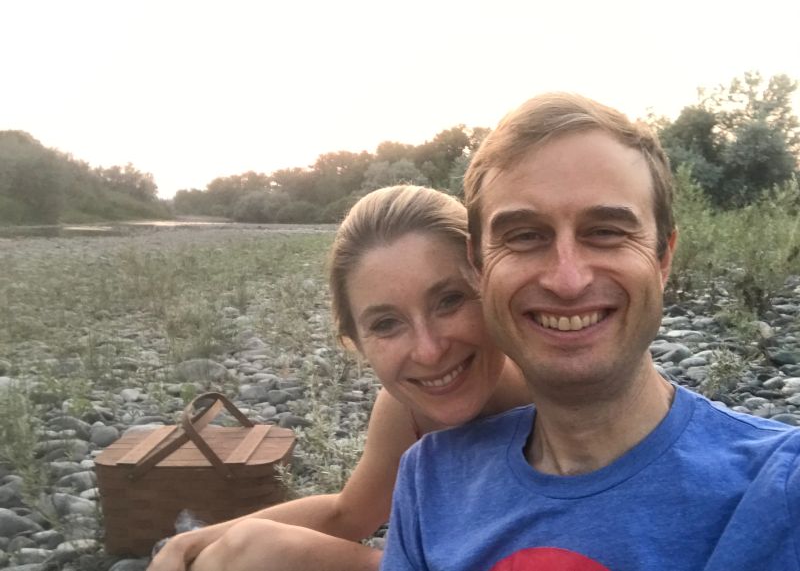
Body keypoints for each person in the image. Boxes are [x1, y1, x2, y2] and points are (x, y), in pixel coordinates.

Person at [380, 93, 800, 570]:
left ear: (663, 258)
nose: (567, 279)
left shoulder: (776, 487)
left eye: (605, 231)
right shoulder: (433, 479)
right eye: (524, 236)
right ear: (479, 266)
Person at [148, 185, 531, 571]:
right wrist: (192, 541)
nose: (429, 351)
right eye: (386, 324)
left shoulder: (561, 390)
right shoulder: (409, 410)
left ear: (491, 285)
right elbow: (349, 514)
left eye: (449, 300)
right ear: (356, 343)